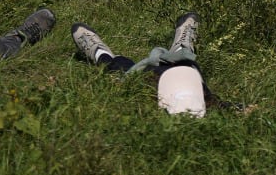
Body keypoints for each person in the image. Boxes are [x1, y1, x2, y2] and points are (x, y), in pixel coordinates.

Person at [70, 13, 236, 116]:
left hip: (156, 86)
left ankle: (100, 53)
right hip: (186, 79)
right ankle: (182, 46)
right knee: (184, 68)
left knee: (122, 71)